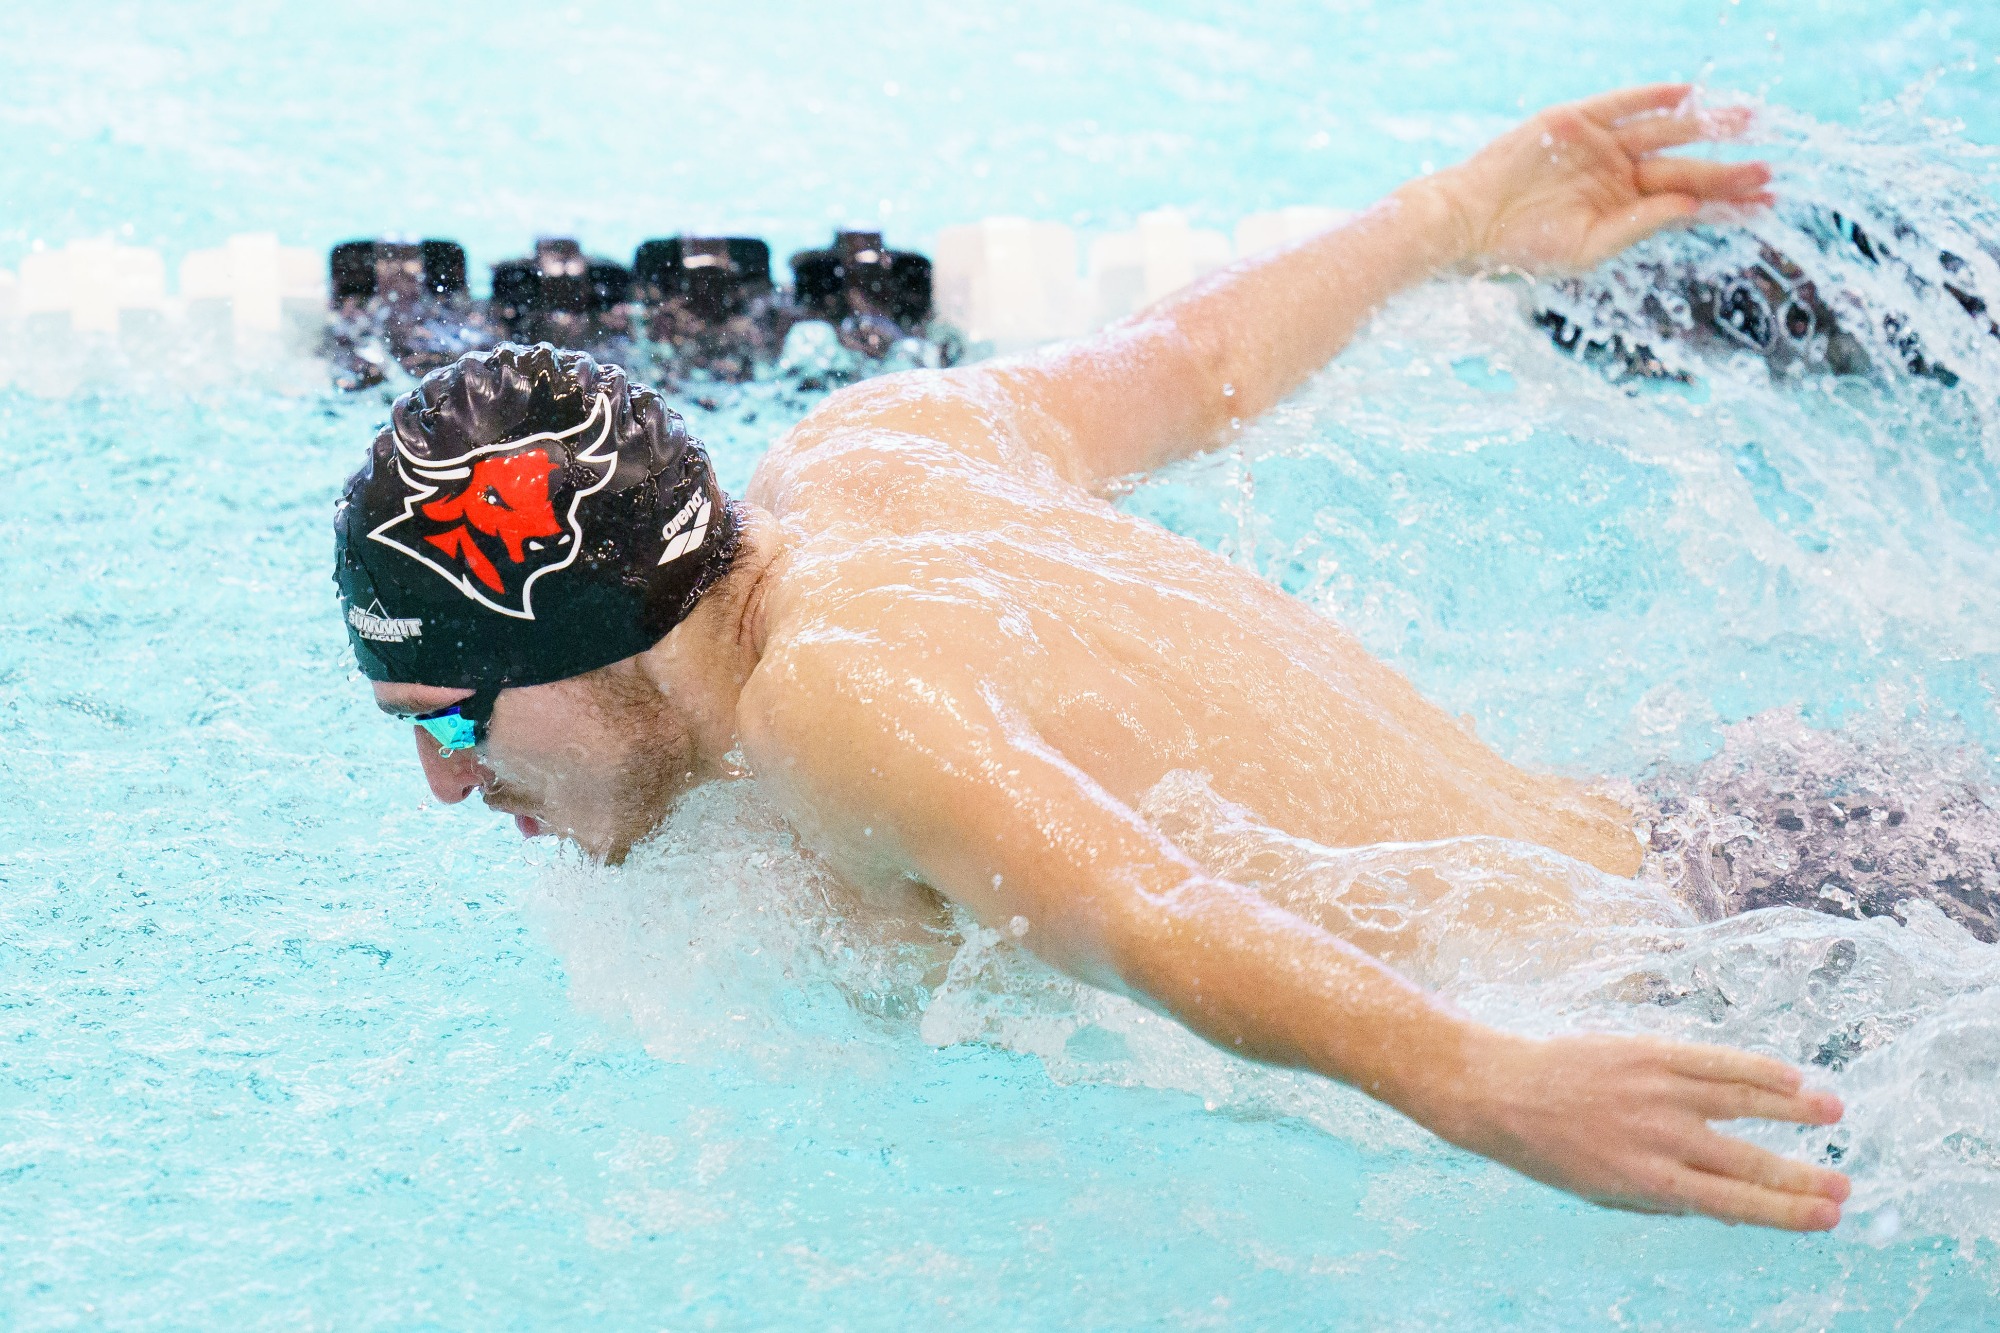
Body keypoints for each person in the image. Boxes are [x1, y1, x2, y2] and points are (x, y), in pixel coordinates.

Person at [336, 83, 1851, 1232]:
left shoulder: (832, 701)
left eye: (453, 721)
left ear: (597, 637)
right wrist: (1454, 212)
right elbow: (1197, 364)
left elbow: (1146, 906)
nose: (440, 786)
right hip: (1733, 829)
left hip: (1734, 988)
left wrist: (1485, 1082)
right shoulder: (872, 448)